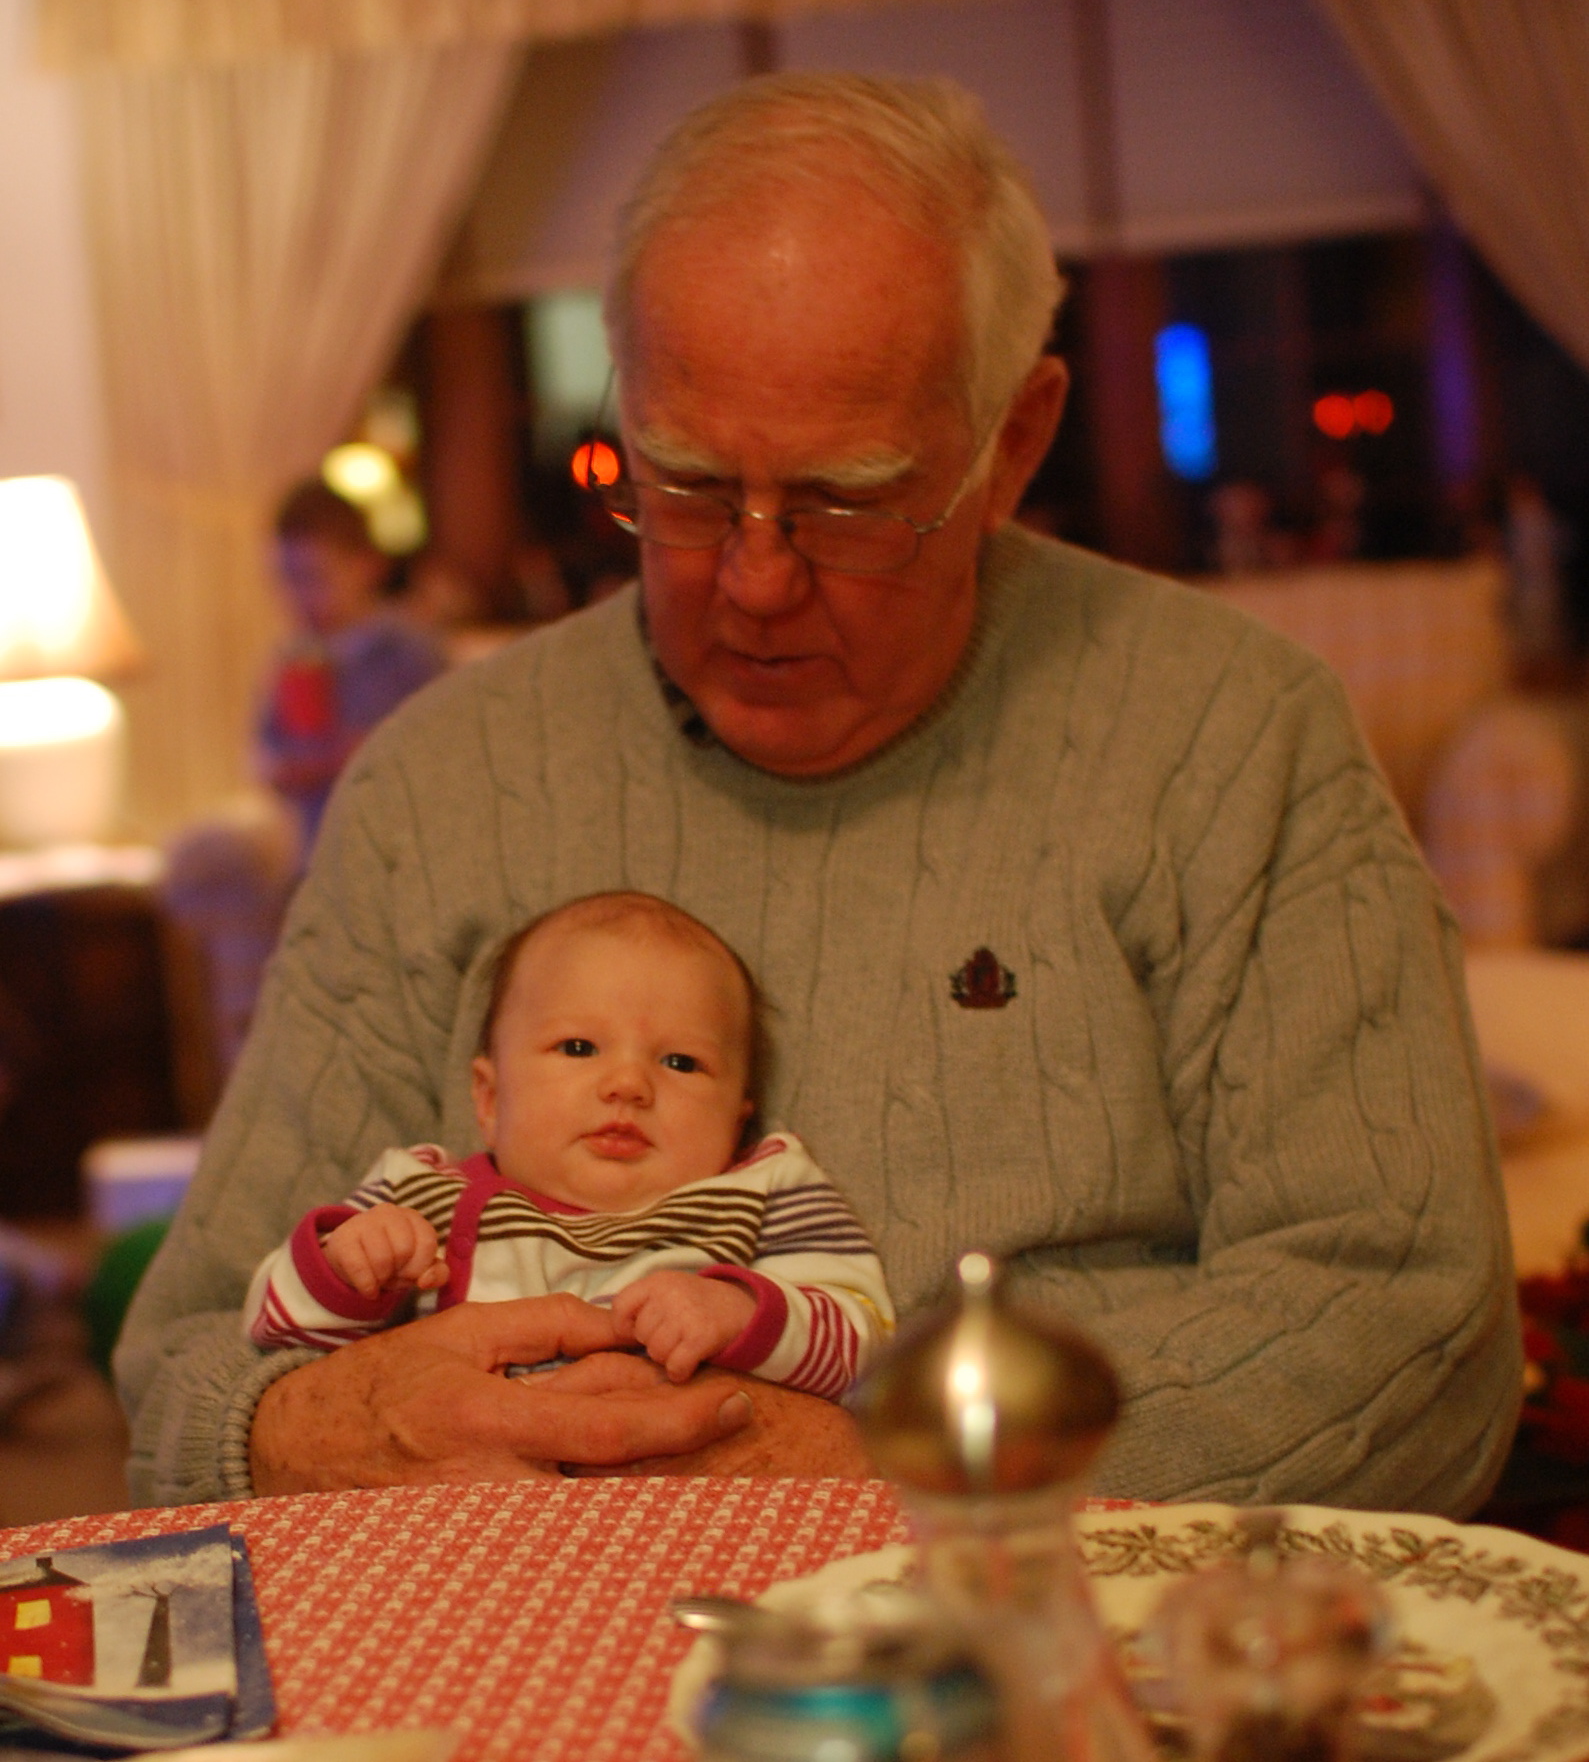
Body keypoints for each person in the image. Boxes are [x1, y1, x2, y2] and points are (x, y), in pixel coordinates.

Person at [117, 73, 1519, 1513]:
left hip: (1033, 1602)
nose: (756, 579)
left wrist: (877, 1478)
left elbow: (1404, 1326)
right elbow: (182, 1364)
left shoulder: (1231, 738)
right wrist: (332, 1424)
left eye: (845, 502)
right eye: (683, 487)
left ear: (1011, 443)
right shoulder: (440, 780)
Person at [243, 891, 892, 1397]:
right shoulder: (419, 1195)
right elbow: (274, 1326)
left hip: (688, 1510)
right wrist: (347, 1266)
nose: (628, 1084)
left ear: (738, 1117)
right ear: (489, 1100)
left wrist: (741, 1313)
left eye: (681, 1063)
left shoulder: (765, 1192)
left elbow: (867, 1345)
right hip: (466, 1503)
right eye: (578, 1047)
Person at [258, 480, 445, 863]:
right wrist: (296, 767)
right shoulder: (294, 658)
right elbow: (267, 758)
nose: (298, 597)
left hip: (405, 853)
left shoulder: (408, 652)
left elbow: (443, 754)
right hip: (319, 855)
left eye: (312, 577)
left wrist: (359, 753)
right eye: (286, 579)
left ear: (366, 566)